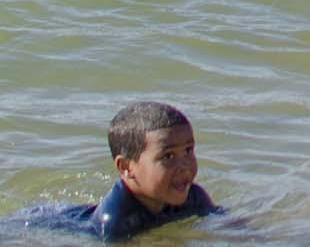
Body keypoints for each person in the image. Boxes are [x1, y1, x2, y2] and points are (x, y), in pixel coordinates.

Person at [28, 103, 220, 241]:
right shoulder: (113, 225)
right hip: (42, 223)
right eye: (168, 156)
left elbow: (230, 228)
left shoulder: (193, 196)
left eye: (188, 150)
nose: (184, 165)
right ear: (126, 167)